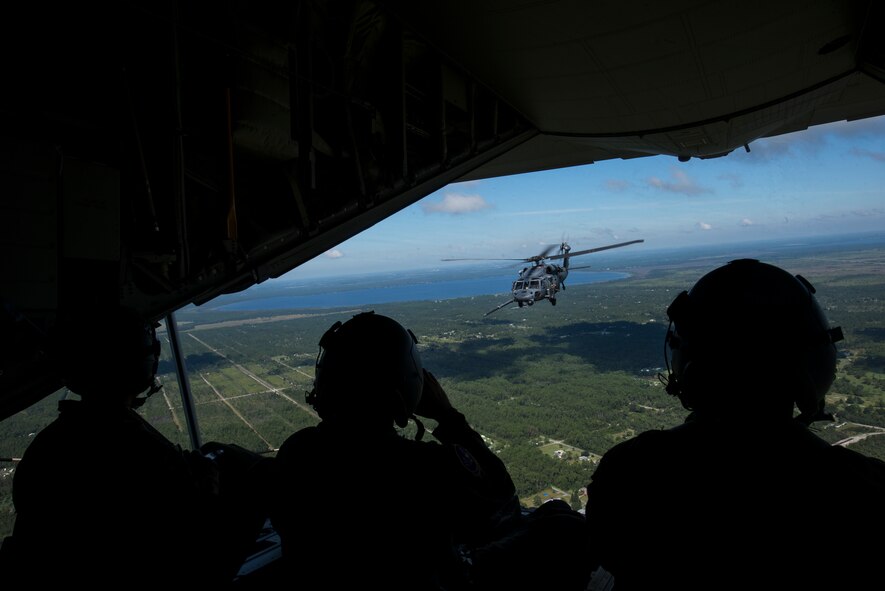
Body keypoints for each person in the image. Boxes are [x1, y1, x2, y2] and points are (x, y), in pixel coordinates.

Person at [584, 258, 885, 590]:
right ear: (812, 361)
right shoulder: (861, 491)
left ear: (686, 367)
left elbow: (609, 554)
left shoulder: (628, 474)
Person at [2, 305, 267, 588]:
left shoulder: (47, 445)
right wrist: (207, 485)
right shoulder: (140, 449)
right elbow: (196, 534)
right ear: (141, 362)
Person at [268, 311, 523, 590]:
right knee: (560, 523)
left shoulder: (296, 451)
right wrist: (447, 415)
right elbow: (503, 501)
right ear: (405, 389)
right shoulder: (426, 467)